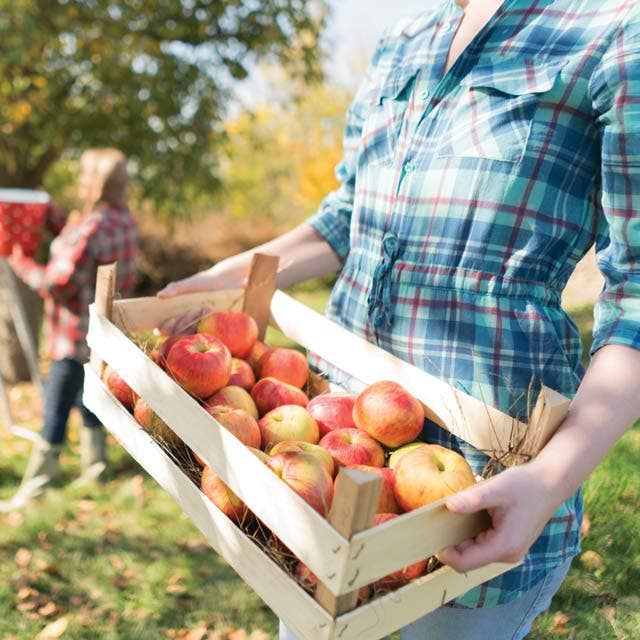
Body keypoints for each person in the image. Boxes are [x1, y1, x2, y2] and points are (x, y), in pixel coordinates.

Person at [158, 0, 640, 637]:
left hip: (481, 492)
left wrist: (549, 482)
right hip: (326, 460)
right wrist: (218, 280)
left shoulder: (610, 32)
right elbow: (344, 218)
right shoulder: (406, 38)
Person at [0, 148, 138, 512]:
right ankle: (96, 467)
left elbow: (55, 282)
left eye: (83, 176)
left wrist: (21, 261)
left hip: (73, 334)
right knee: (87, 396)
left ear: (94, 183)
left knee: (55, 407)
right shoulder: (123, 220)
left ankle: (35, 486)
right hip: (104, 332)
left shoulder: (89, 227)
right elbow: (89, 257)